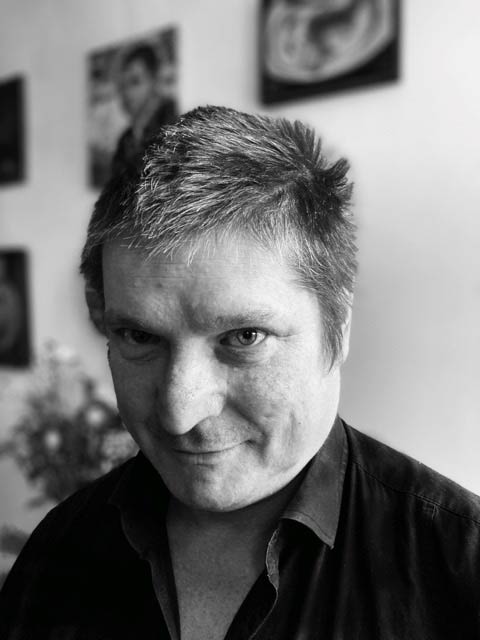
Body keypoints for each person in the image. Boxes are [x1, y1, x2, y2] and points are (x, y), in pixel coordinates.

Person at [1, 106, 479, 639]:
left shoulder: (460, 570)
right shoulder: (56, 552)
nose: (180, 412)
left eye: (244, 337)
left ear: (338, 326)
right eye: (139, 336)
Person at [111, 43, 177, 176]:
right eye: (122, 86)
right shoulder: (125, 139)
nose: (126, 93)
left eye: (135, 81)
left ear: (155, 81)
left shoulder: (173, 131)